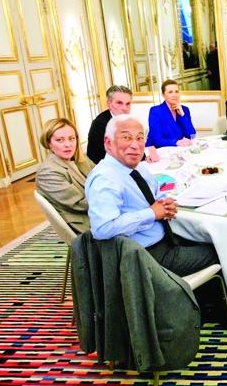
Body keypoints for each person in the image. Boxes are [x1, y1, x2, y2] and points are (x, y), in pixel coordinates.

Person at [85, 115, 218, 277]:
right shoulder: (105, 179)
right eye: (126, 137)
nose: (135, 145)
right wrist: (152, 213)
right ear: (108, 143)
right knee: (220, 251)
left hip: (167, 237)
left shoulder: (138, 167)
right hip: (144, 255)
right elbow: (102, 229)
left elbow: (156, 193)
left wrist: (166, 203)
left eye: (140, 138)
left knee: (214, 240)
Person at [36, 118, 95, 234]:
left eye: (71, 138)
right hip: (86, 225)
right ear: (49, 143)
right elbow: (79, 204)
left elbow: (103, 179)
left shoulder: (80, 159)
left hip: (100, 214)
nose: (68, 144)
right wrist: (114, 197)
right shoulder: (48, 172)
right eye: (60, 140)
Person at [86, 85, 159, 163]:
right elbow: (111, 155)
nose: (125, 108)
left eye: (128, 104)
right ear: (109, 104)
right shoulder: (100, 124)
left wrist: (145, 155)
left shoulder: (125, 120)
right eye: (119, 103)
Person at [145, 79, 196, 148]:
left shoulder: (184, 109)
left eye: (176, 91)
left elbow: (191, 135)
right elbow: (157, 140)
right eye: (170, 92)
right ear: (163, 95)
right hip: (157, 149)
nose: (174, 95)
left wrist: (183, 115)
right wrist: (176, 142)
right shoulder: (155, 111)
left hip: (177, 149)